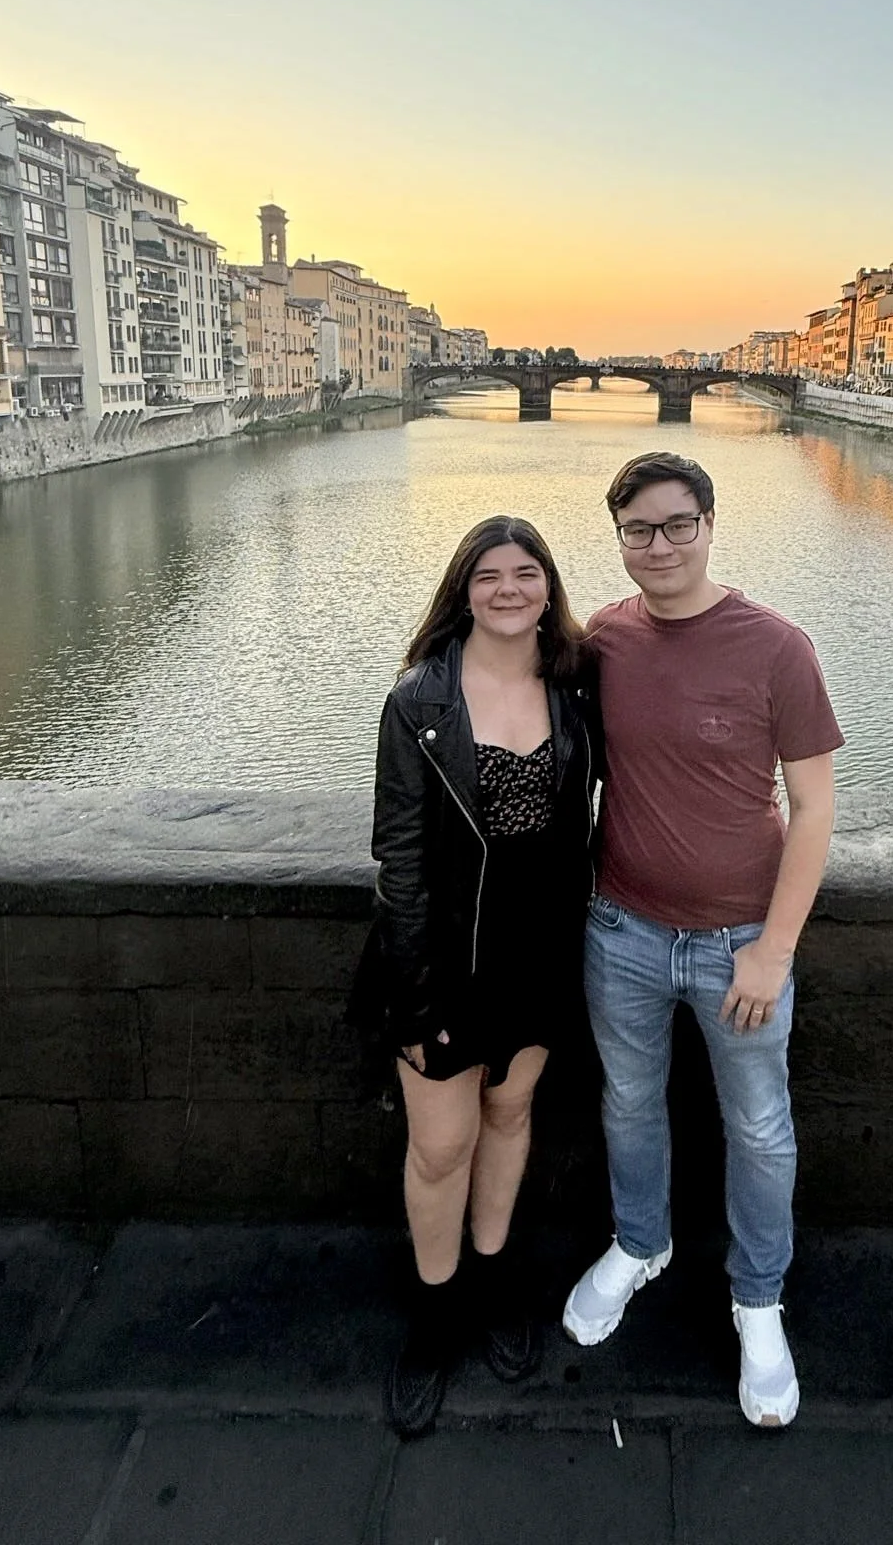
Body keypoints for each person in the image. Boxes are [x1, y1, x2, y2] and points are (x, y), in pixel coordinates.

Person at [562, 451, 842, 1429]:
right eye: (639, 529)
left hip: (741, 941)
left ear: (712, 525)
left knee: (760, 1128)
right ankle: (642, 1244)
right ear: (621, 540)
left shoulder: (778, 647)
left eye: (679, 524)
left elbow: (813, 810)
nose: (660, 545)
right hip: (621, 926)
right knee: (630, 1103)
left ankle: (757, 1300)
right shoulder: (603, 639)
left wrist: (772, 952)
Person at [366, 514, 597, 1438]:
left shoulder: (576, 687)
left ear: (548, 586)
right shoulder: (419, 702)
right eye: (489, 575)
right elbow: (400, 860)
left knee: (510, 1115)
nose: (509, 588)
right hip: (445, 961)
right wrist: (418, 993)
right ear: (463, 590)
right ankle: (434, 1316)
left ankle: (493, 1277)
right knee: (440, 1146)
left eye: (526, 572)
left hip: (538, 956)